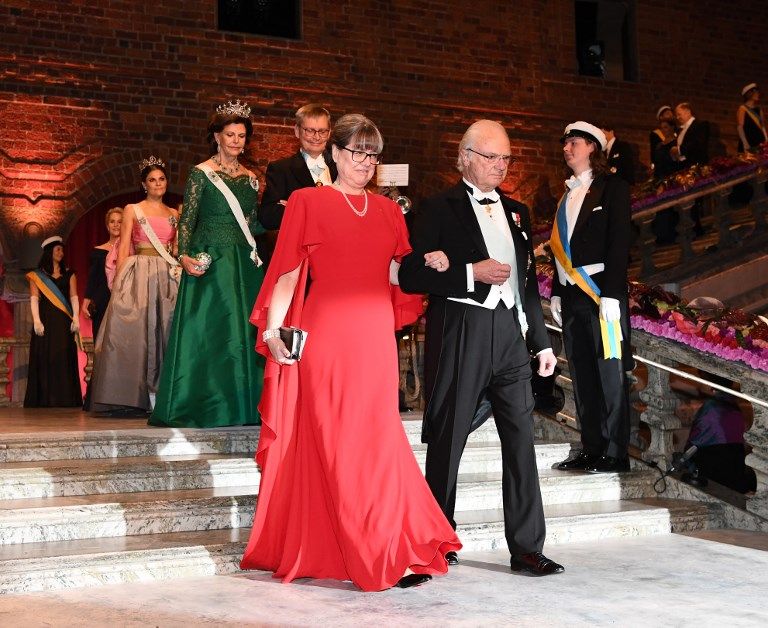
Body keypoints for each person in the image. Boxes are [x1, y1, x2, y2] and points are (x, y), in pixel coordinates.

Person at [240, 113, 460, 591]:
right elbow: (288, 272)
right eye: (356, 152)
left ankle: (390, 544)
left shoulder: (387, 211)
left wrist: (430, 263)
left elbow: (395, 275)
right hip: (329, 338)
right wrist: (276, 329)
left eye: (372, 154)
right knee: (342, 446)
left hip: (374, 338)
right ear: (334, 153)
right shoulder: (307, 201)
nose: (364, 162)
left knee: (379, 443)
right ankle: (370, 551)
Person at [399, 119, 563, 577]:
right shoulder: (436, 208)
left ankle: (527, 548)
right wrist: (469, 273)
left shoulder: (518, 211)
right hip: (462, 328)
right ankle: (438, 537)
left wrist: (541, 340)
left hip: (510, 334)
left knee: (521, 440)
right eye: (491, 157)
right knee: (449, 437)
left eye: (506, 158)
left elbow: (527, 281)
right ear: (465, 156)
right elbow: (411, 275)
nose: (500, 166)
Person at [150, 101, 266, 428]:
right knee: (212, 332)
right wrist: (184, 254)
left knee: (245, 332)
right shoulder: (201, 173)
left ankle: (246, 405)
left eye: (242, 136)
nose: (236, 141)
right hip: (211, 260)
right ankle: (208, 403)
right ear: (217, 136)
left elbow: (253, 224)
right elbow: (187, 218)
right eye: (230, 135)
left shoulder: (251, 179)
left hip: (243, 261)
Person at [549, 122, 633, 474]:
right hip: (572, 296)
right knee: (582, 374)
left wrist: (613, 293)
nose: (567, 147)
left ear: (592, 149)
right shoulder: (566, 195)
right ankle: (591, 446)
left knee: (609, 375)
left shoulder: (613, 188)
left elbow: (619, 242)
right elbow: (560, 249)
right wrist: (555, 289)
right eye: (565, 142)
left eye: (574, 142)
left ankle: (615, 452)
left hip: (601, 295)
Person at [90, 158, 179, 415]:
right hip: (139, 271)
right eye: (152, 179)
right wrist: (119, 282)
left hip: (166, 273)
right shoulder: (132, 209)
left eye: (161, 179)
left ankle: (161, 393)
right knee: (135, 334)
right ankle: (136, 393)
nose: (157, 183)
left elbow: (176, 250)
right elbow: (124, 245)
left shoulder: (174, 214)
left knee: (166, 330)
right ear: (144, 184)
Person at [258, 103, 337, 231]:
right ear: (297, 131)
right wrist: (299, 209)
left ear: (329, 134)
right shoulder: (280, 169)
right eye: (310, 131)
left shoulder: (341, 169)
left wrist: (291, 206)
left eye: (322, 131)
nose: (316, 137)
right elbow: (267, 217)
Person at [24, 236, 82, 407]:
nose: (61, 253)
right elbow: (34, 299)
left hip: (64, 323)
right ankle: (44, 400)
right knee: (45, 358)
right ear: (49, 252)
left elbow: (74, 297)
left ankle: (65, 399)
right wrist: (36, 321)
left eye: (62, 250)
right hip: (46, 322)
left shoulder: (70, 274)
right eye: (58, 249)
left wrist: (77, 317)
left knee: (63, 358)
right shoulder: (38, 276)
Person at [82, 207, 123, 339]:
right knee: (101, 339)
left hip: (123, 300)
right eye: (112, 221)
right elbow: (92, 279)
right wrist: (86, 301)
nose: (116, 225)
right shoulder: (98, 251)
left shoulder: (130, 251)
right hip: (101, 301)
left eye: (120, 221)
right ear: (107, 226)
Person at [736, 83, 767, 152]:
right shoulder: (742, 108)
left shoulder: (759, 110)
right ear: (749, 94)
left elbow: (762, 126)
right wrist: (745, 143)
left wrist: (766, 139)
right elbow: (740, 127)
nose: (758, 94)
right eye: (756, 93)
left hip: (760, 142)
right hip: (748, 141)